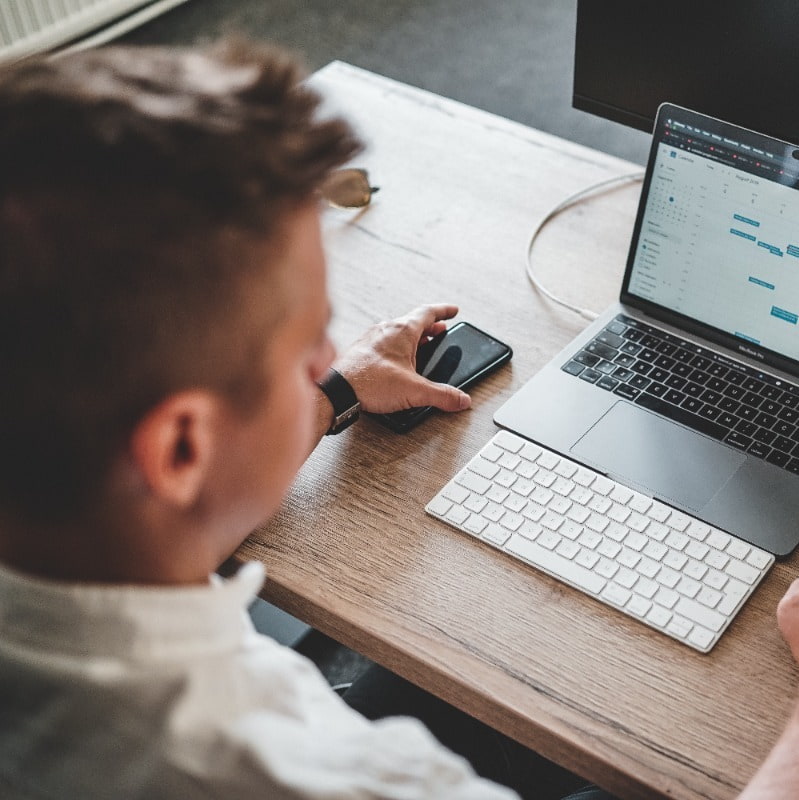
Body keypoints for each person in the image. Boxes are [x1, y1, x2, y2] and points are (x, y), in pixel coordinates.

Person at [0, 36, 796, 800]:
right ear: (180, 448)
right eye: (310, 341)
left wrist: (336, 391)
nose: (331, 353)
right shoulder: (318, 776)